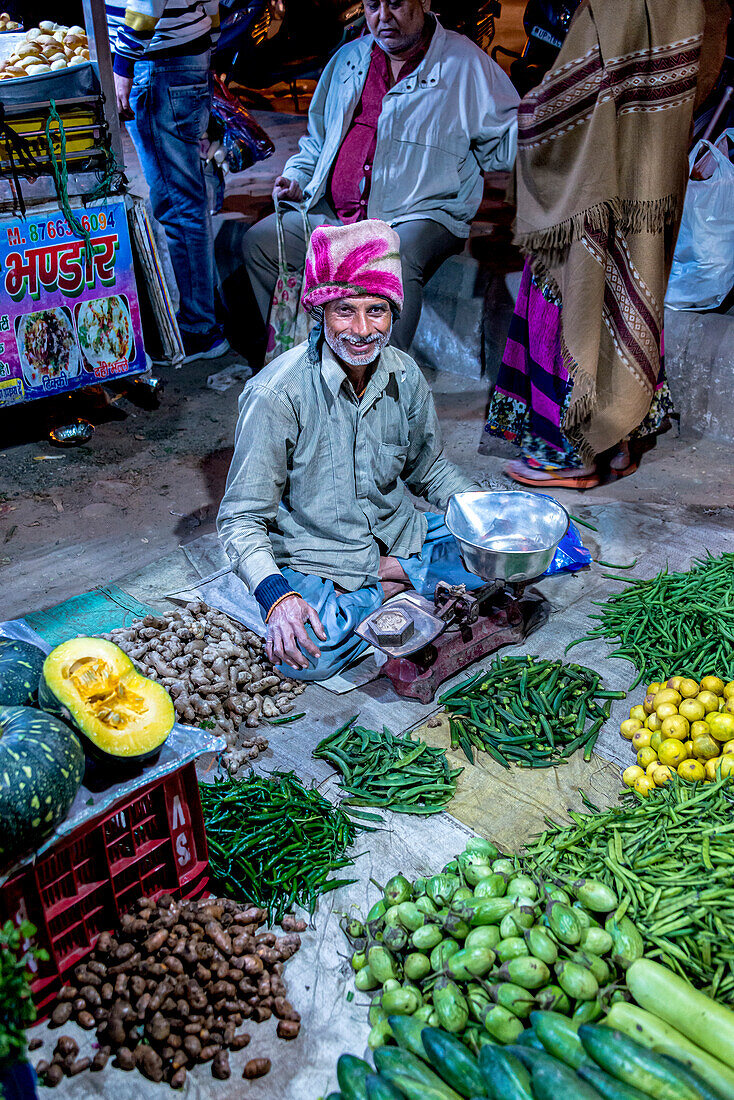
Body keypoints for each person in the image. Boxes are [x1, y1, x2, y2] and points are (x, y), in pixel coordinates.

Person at [217, 220, 485, 678]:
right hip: (317, 551)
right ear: (319, 312)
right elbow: (241, 518)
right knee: (308, 655)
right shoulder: (277, 395)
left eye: (377, 311)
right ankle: (392, 580)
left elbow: (431, 468)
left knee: (494, 557)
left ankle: (387, 573)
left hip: (394, 528)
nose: (362, 330)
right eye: (345, 310)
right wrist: (278, 598)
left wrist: (487, 519)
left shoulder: (405, 375)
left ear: (393, 312)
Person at [483, 0, 728, 490]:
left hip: (595, 175)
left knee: (567, 293)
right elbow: (703, 69)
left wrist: (533, 118)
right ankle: (622, 441)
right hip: (653, 168)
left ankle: (572, 452)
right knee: (635, 284)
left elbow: (574, 90)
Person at [242, 0, 519, 362]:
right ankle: (307, 360)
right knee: (259, 243)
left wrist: (550, 119)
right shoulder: (349, 59)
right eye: (372, 5)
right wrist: (296, 176)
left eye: (396, 4)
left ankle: (382, 389)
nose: (383, 17)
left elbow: (508, 140)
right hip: (341, 216)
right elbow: (317, 139)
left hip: (422, 213)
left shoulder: (466, 64)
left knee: (392, 256)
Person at [106, 0, 229, 363]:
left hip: (160, 64)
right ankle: (205, 312)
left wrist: (122, 64)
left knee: (178, 203)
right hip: (185, 58)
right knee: (185, 197)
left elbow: (147, 2)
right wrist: (211, 46)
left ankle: (199, 329)